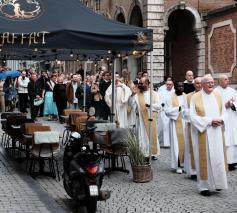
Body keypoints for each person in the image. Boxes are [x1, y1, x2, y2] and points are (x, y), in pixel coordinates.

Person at [190, 74, 228, 196]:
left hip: (216, 133)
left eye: (212, 82)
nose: (211, 84)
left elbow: (224, 112)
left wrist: (221, 120)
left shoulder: (218, 95)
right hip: (204, 133)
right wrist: (210, 121)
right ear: (202, 84)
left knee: (217, 158)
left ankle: (218, 184)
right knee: (204, 159)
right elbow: (192, 116)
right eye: (208, 82)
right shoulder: (195, 97)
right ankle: (204, 187)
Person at [129, 77, 159, 159]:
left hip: (151, 118)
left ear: (147, 83)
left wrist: (150, 106)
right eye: (139, 83)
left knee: (152, 136)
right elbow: (131, 104)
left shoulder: (154, 94)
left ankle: (152, 153)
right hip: (141, 120)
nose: (139, 85)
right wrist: (132, 95)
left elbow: (159, 106)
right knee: (142, 137)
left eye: (141, 83)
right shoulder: (137, 94)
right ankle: (143, 153)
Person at [165, 81, 188, 174]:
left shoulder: (186, 96)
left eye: (182, 86)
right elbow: (166, 111)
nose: (181, 88)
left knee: (185, 145)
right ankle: (178, 165)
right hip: (175, 124)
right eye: (179, 86)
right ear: (175, 87)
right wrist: (178, 109)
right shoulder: (170, 97)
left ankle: (185, 165)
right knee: (177, 145)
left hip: (185, 123)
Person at [215, 74, 237, 171]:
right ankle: (226, 162)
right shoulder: (216, 92)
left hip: (232, 118)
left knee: (233, 140)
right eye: (225, 79)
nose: (227, 81)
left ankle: (233, 161)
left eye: (227, 79)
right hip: (223, 120)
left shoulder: (232, 91)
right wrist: (226, 105)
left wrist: (232, 105)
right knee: (225, 140)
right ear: (220, 81)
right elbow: (215, 106)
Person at [184, 77, 202, 178]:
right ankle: (193, 171)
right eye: (197, 83)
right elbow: (185, 111)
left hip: (204, 126)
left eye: (200, 83)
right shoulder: (188, 96)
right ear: (194, 85)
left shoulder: (206, 96)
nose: (199, 85)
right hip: (192, 125)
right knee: (192, 148)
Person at [157, 79, 174, 147]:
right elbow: (159, 101)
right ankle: (162, 142)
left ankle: (170, 142)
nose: (169, 86)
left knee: (170, 127)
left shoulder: (175, 92)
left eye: (170, 84)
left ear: (172, 85)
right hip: (163, 111)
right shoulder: (161, 92)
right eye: (167, 84)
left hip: (172, 112)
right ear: (165, 85)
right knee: (163, 127)